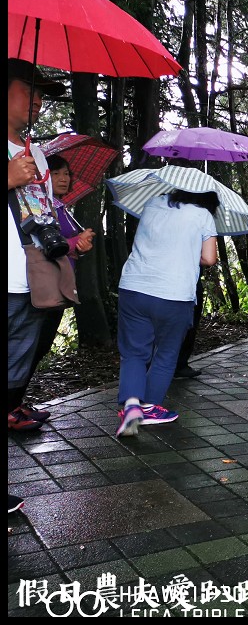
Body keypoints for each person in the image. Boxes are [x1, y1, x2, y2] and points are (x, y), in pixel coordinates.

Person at [7, 58, 66, 512]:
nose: (40, 100)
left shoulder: (38, 153)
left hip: (28, 282)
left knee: (12, 386)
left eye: (43, 93)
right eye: (31, 89)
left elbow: (41, 212)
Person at [115, 189, 218, 437]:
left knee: (133, 353)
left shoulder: (152, 202)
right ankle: (149, 407)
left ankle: (131, 406)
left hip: (134, 288)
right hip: (174, 294)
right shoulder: (203, 215)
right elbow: (209, 258)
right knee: (166, 353)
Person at [26, 154, 95, 385]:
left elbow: (67, 246)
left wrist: (80, 246)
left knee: (42, 344)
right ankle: (14, 404)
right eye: (56, 173)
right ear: (43, 176)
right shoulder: (41, 206)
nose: (63, 178)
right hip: (45, 285)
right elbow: (45, 245)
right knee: (34, 344)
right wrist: (77, 242)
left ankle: (17, 402)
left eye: (66, 173)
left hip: (60, 282)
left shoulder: (61, 206)